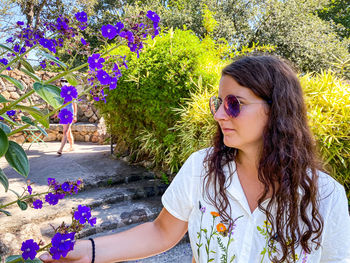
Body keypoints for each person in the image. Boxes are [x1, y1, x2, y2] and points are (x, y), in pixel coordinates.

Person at [40, 55, 350, 262]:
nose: (218, 115)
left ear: (276, 109)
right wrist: (87, 251)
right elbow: (161, 232)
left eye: (234, 104)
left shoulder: (325, 197)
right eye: (219, 102)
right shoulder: (202, 169)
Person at [57, 79, 78, 155]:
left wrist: (75, 115)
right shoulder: (59, 91)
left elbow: (75, 104)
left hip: (69, 113)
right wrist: (56, 112)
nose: (64, 82)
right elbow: (58, 103)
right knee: (67, 131)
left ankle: (60, 149)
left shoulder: (72, 91)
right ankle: (72, 146)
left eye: (66, 81)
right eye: (62, 80)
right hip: (62, 113)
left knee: (65, 131)